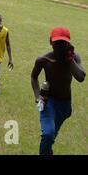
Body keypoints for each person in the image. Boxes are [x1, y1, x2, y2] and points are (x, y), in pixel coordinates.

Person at [31, 27, 85, 155]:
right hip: (48, 101)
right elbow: (34, 77)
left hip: (65, 105)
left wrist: (70, 59)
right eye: (57, 43)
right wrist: (38, 96)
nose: (60, 46)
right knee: (48, 134)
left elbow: (80, 77)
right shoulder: (44, 60)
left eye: (63, 43)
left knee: (50, 137)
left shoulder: (73, 58)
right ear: (51, 42)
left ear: (68, 44)